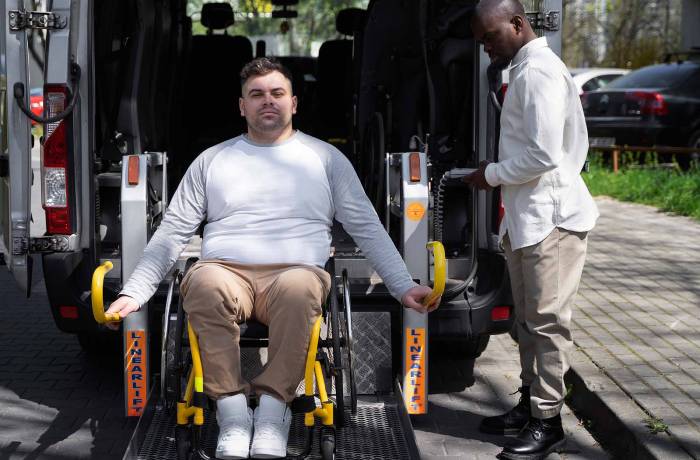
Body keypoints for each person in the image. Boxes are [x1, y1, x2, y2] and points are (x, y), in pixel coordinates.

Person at [105, 57, 438, 460]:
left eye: (277, 93)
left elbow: (367, 226)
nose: (268, 101)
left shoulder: (326, 159)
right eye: (257, 94)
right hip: (225, 271)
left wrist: (402, 285)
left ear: (293, 103)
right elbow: (172, 232)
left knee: (300, 288)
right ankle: (232, 414)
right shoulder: (212, 160)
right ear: (241, 106)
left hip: (296, 272)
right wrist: (135, 292)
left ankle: (272, 413)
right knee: (202, 282)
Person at [466, 2, 599, 459]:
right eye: (482, 41)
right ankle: (530, 406)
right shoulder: (523, 68)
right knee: (527, 321)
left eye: (490, 37)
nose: (486, 49)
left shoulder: (539, 71)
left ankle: (548, 422)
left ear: (518, 24)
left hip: (553, 220)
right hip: (529, 219)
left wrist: (492, 174)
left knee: (546, 324)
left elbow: (544, 154)